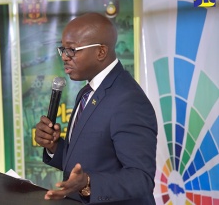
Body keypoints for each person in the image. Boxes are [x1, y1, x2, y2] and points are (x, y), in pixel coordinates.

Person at [35, 12, 158, 204]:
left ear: (101, 52)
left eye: (72, 50)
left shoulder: (128, 100)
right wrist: (53, 146)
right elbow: (86, 159)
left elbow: (141, 178)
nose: (65, 57)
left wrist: (88, 184)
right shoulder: (86, 92)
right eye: (63, 50)